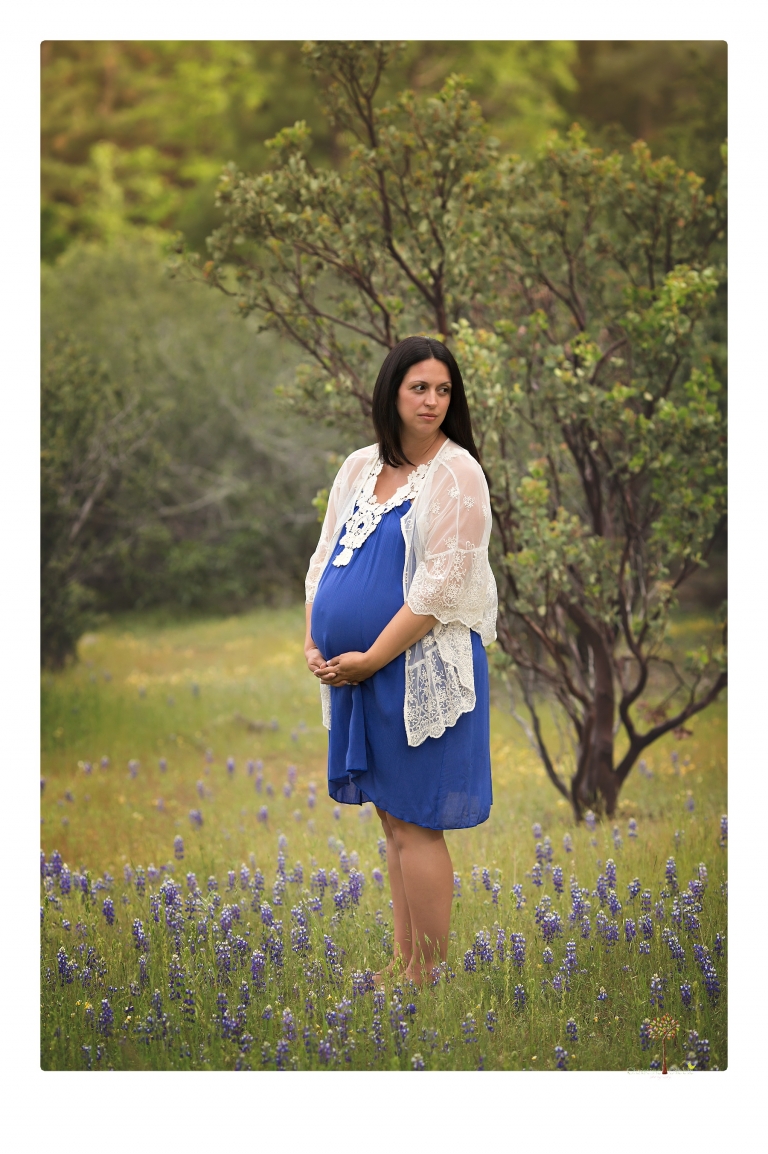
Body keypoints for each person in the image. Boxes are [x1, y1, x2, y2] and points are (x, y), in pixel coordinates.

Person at [304, 335, 497, 985]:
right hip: (356, 670)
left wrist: (372, 657)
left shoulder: (457, 474)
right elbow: (324, 558)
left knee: (418, 821)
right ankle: (404, 960)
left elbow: (439, 589)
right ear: (391, 392)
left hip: (418, 669)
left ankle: (429, 976)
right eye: (420, 387)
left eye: (444, 390)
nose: (433, 401)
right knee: (394, 823)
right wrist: (314, 640)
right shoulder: (359, 467)